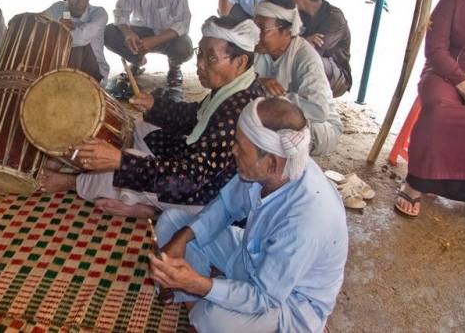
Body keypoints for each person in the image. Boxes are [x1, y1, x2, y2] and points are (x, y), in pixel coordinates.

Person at [148, 97, 348, 333]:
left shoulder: (306, 223)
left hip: (289, 303)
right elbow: (225, 206)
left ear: (271, 163)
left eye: (241, 147)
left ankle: (206, 309)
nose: (233, 150)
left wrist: (197, 284)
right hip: (250, 258)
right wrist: (182, 239)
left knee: (216, 320)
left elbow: (264, 297)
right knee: (173, 223)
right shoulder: (267, 171)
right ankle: (204, 306)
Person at [39, 17, 265, 217]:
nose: (200, 63)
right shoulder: (236, 85)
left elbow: (189, 178)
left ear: (240, 62)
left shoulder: (239, 110)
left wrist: (121, 161)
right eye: (200, 53)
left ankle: (72, 182)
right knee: (142, 125)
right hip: (194, 160)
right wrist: (154, 105)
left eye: (211, 58)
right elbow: (196, 117)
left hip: (204, 195)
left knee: (119, 170)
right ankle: (132, 190)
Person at [395, 0, 465, 218]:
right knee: (439, 112)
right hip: (445, 71)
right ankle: (416, 182)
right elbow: (435, 49)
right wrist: (463, 82)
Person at [253, 0, 343, 156]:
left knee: (278, 124)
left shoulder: (306, 57)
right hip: (279, 116)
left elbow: (319, 111)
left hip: (321, 127)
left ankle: (286, 173)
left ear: (287, 32)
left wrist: (276, 99)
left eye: (262, 30)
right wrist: (258, 82)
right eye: (253, 27)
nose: (254, 34)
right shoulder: (259, 49)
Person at [285, 0, 352, 98]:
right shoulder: (297, 12)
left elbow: (310, 52)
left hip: (336, 77)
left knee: (306, 60)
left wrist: (298, 42)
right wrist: (303, 42)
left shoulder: (334, 17)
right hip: (306, 64)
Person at [43, 0, 109, 85]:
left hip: (94, 74)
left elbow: (78, 39)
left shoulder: (99, 14)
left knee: (77, 45)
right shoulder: (58, 8)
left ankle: (65, 86)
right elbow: (38, 24)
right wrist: (56, 26)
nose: (81, 2)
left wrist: (58, 29)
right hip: (62, 67)